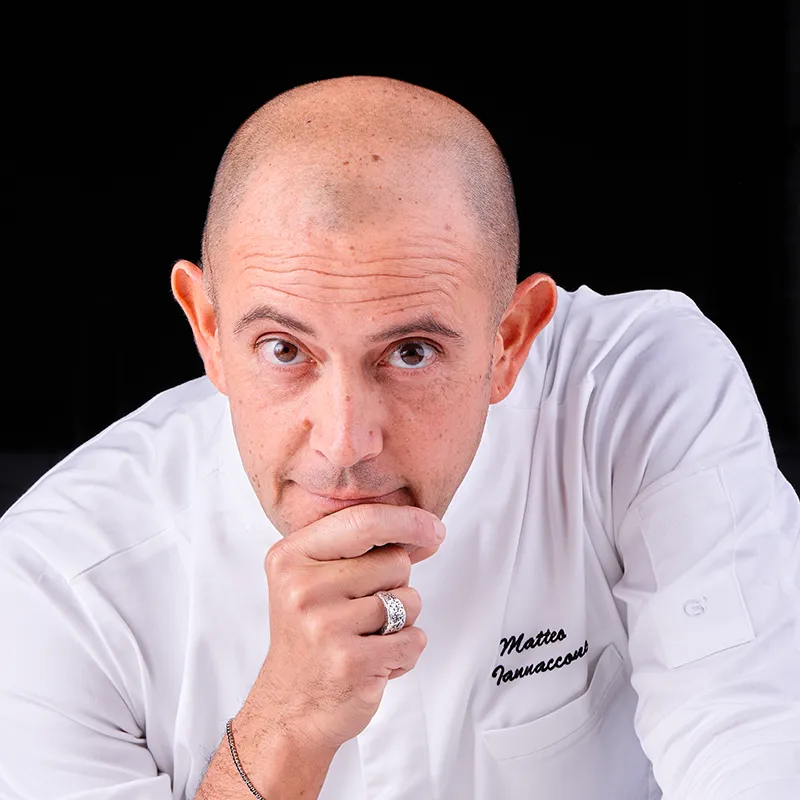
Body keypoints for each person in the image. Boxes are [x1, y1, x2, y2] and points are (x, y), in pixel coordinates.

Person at [0, 76, 798, 800]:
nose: (345, 443)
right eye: (284, 350)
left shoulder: (630, 396)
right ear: (207, 329)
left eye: (411, 352)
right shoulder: (58, 585)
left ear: (509, 342)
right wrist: (286, 724)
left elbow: (752, 740)